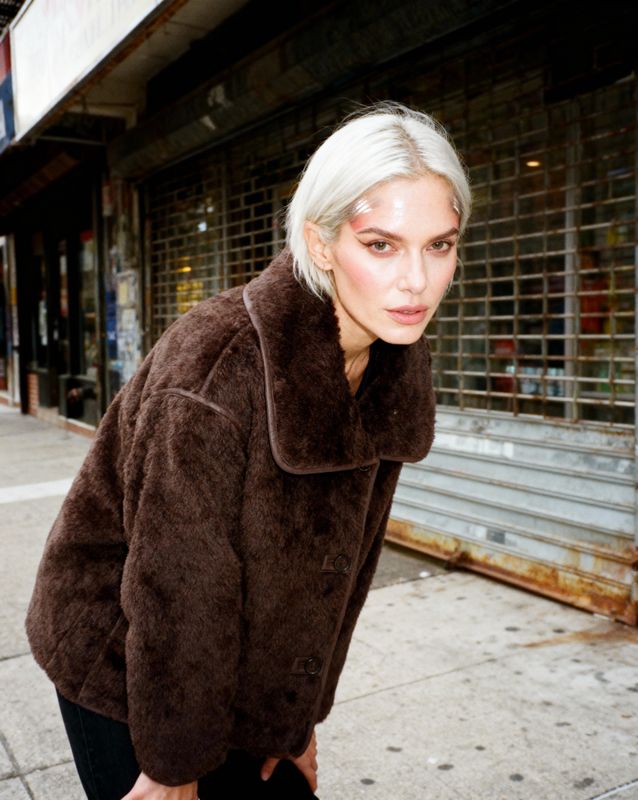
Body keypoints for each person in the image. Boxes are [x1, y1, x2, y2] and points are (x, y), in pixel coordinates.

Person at [24, 101, 471, 800]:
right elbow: (177, 587)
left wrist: (298, 717)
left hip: (238, 668)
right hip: (123, 662)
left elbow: (340, 572)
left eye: (439, 244)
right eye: (381, 244)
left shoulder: (390, 359)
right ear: (320, 244)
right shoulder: (214, 368)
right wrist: (174, 769)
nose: (416, 280)